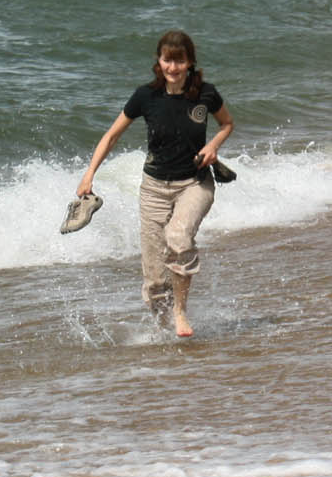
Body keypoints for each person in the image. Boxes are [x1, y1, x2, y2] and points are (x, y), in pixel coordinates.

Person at [77, 30, 234, 337]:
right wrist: (88, 175)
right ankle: (161, 331)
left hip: (195, 183)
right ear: (158, 62)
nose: (172, 67)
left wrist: (213, 145)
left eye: (179, 61)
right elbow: (111, 136)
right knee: (154, 281)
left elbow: (227, 123)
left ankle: (180, 313)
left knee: (178, 238)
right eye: (167, 60)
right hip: (153, 189)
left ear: (190, 63)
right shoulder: (145, 96)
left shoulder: (206, 95)